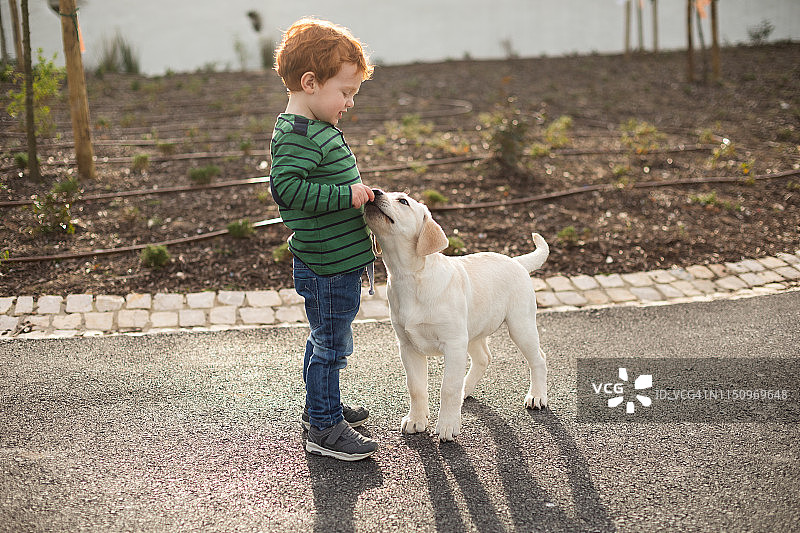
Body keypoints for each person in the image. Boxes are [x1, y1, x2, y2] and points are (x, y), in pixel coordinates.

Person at [270, 18, 378, 461]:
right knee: (331, 345)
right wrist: (345, 195)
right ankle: (324, 427)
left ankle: (321, 405)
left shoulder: (314, 128)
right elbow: (286, 190)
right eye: (345, 92)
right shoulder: (297, 135)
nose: (350, 102)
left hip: (335, 262)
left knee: (325, 340)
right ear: (310, 83)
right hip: (326, 265)